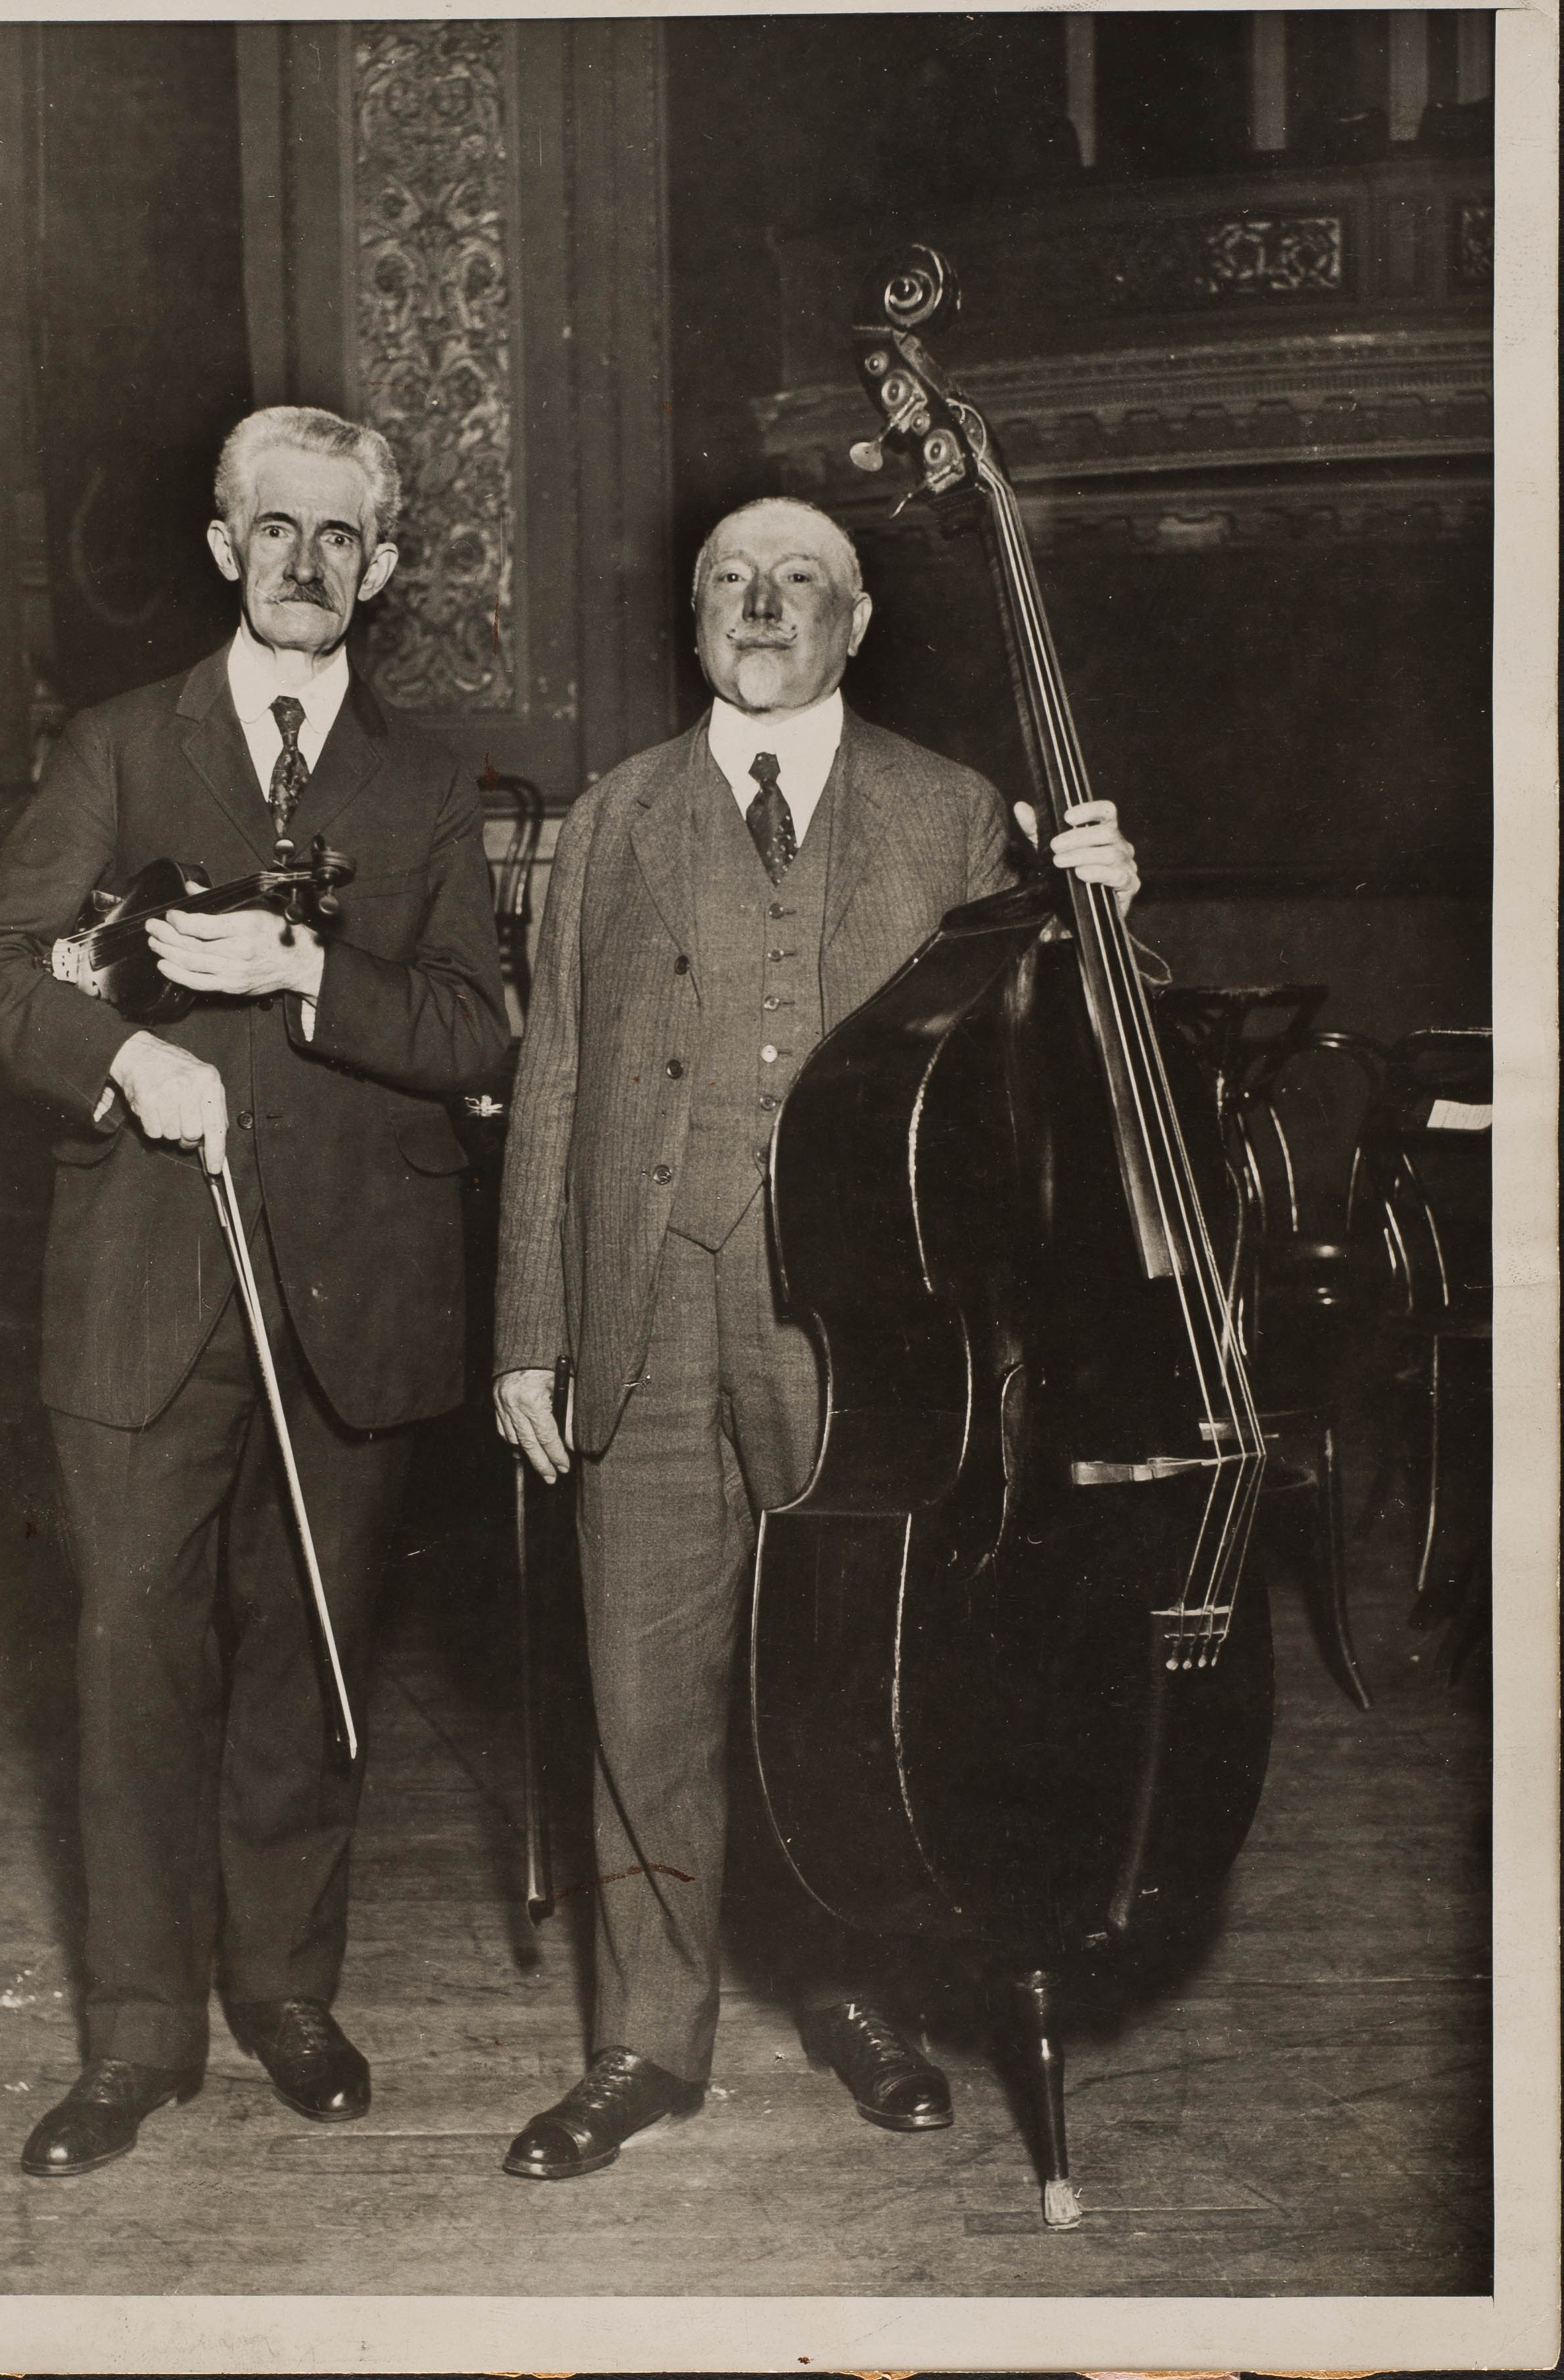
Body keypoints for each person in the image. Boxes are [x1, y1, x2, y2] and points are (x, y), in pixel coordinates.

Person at [492, 496, 1140, 2179]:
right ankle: (646, 2037)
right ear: (693, 618)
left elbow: (1063, 1061)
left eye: (799, 583)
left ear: (858, 623)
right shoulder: (613, 816)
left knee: (852, 1688)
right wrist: (527, 1334)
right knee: (643, 1698)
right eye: (729, 580)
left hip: (864, 1341)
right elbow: (554, 1076)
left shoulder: (948, 812)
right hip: (640, 1321)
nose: (761, 603)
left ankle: (865, 1995)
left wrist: (1106, 916)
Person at [0, 405, 510, 2177]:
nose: (306, 564)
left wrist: (310, 969)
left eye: (344, 537)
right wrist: (121, 1059)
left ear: (386, 567)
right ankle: (134, 2037)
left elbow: (478, 1026)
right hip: (140, 1285)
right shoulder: (116, 748)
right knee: (128, 1657)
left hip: (352, 1291)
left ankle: (285, 1993)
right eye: (276, 528)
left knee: (301, 1658)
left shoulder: (422, 786)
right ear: (220, 543)